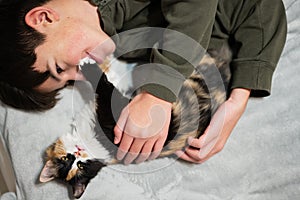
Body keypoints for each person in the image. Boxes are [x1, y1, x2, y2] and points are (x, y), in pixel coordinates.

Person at [0, 0, 287, 165]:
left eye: (61, 67)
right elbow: (250, 19)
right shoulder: (111, 35)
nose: (79, 73)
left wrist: (157, 91)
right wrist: (238, 98)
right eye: (65, 81)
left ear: (43, 17)